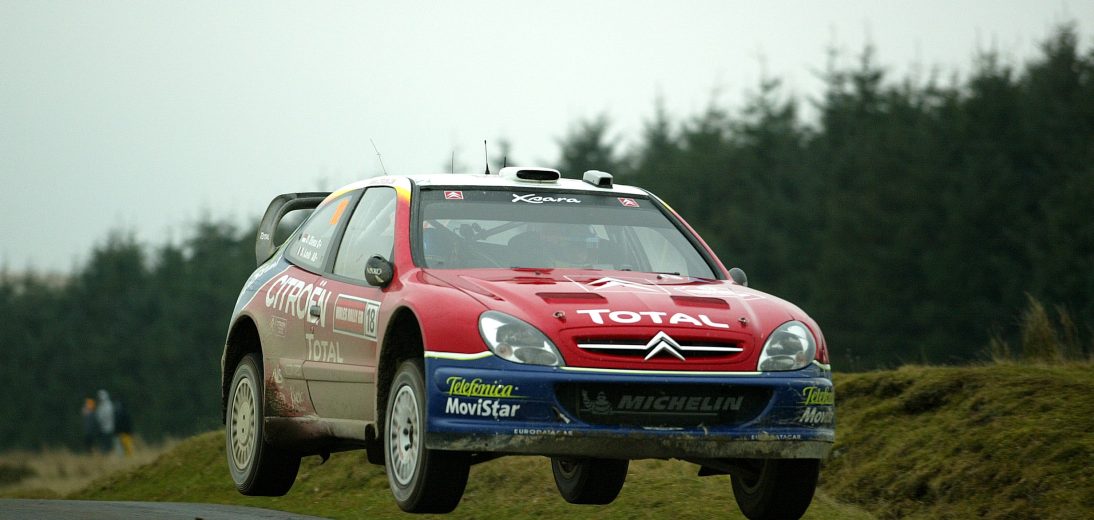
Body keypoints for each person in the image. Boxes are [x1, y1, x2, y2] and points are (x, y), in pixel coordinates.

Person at [95, 389, 117, 455]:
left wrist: (101, 421)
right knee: (103, 442)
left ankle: (107, 453)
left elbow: (104, 416)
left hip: (107, 428)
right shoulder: (102, 406)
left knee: (107, 443)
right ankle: (105, 453)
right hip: (103, 428)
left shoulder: (108, 405)